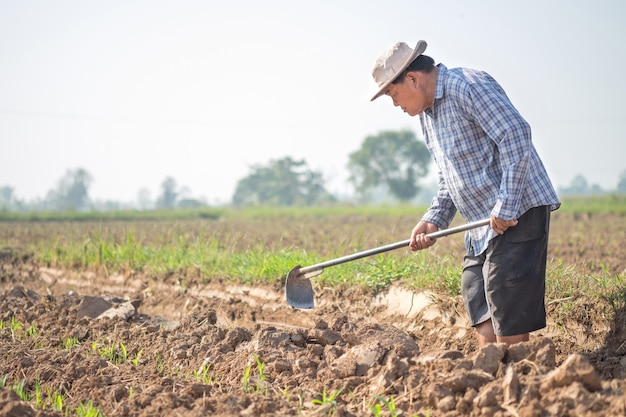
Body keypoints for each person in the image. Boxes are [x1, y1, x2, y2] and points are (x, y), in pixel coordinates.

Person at [370, 40, 560, 347]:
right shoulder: (427, 116)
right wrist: (433, 221)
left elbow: (515, 134)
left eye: (393, 94)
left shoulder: (467, 86)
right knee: (476, 294)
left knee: (504, 296)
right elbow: (450, 177)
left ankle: (520, 384)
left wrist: (507, 204)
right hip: (482, 224)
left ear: (413, 79)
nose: (395, 104)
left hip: (517, 211)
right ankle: (494, 378)